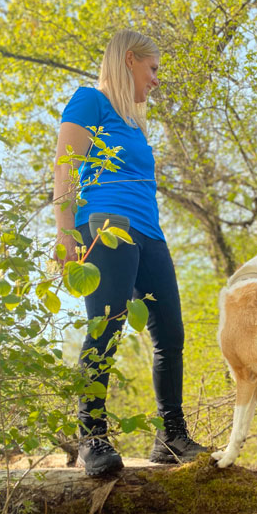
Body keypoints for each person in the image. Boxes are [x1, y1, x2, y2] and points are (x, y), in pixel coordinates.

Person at [53, 29, 207, 476]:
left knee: (170, 333)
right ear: (128, 60)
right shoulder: (89, 101)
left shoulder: (136, 121)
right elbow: (65, 169)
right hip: (105, 226)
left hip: (150, 232)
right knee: (106, 327)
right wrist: (66, 235)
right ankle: (92, 437)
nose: (156, 80)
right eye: (152, 69)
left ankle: (171, 437)